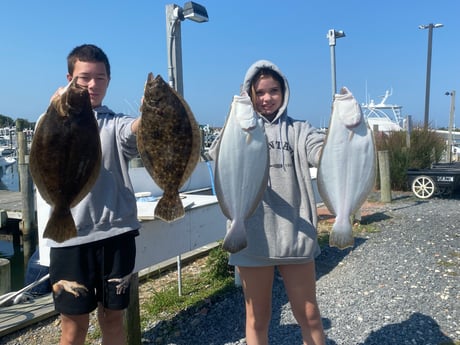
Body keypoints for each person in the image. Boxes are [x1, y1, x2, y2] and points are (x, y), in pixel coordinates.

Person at [211, 60, 326, 345]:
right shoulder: (237, 129)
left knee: (309, 314)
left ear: (284, 92)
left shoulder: (300, 130)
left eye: (273, 90)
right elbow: (214, 153)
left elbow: (320, 151)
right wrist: (232, 118)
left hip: (296, 236)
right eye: (259, 92)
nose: (266, 98)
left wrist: (342, 145)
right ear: (249, 94)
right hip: (251, 237)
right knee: (257, 318)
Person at [42, 44, 141, 345]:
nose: (92, 85)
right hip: (69, 238)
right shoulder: (52, 119)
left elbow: (134, 132)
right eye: (84, 77)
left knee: (113, 320)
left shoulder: (115, 123)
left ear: (109, 80)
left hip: (116, 235)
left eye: (100, 78)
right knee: (73, 328)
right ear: (70, 78)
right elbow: (43, 153)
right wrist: (53, 112)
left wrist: (149, 114)